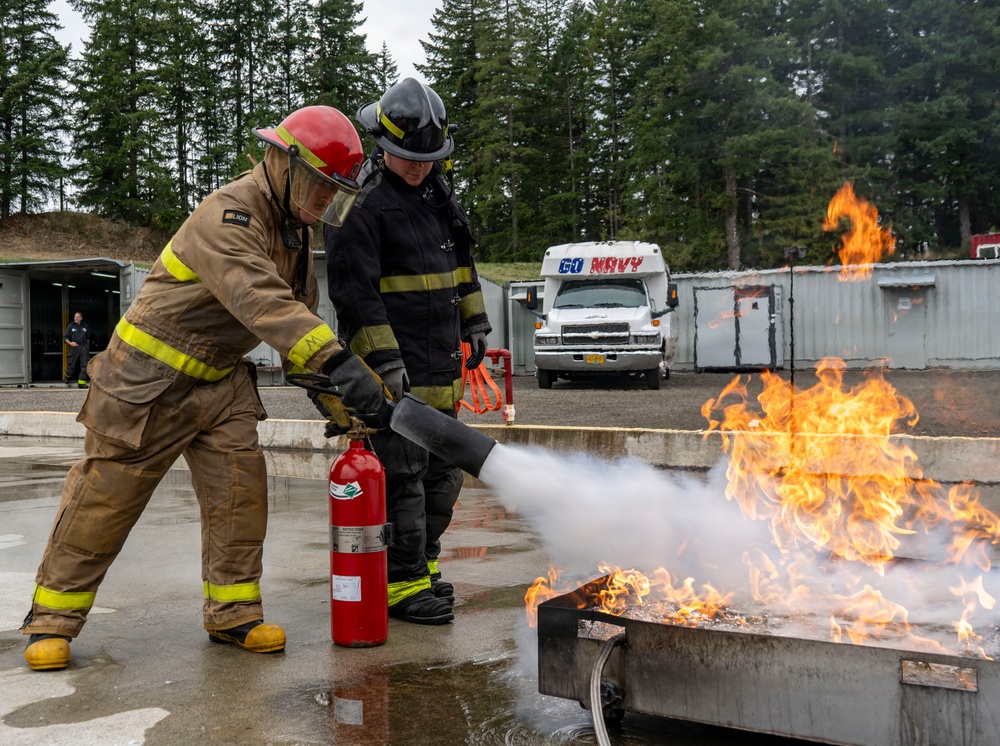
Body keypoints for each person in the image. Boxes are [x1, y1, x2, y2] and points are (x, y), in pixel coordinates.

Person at [21, 105, 393, 671]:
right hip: (146, 382)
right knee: (104, 502)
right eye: (319, 186)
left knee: (241, 497)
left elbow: (298, 318)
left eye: (334, 194)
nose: (323, 203)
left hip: (221, 383)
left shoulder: (293, 232)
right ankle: (52, 620)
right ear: (282, 162)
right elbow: (259, 300)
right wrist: (341, 363)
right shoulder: (229, 213)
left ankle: (233, 614)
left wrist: (338, 398)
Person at [324, 78, 492, 625]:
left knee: (444, 478)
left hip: (441, 367)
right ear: (382, 145)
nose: (420, 168)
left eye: (428, 159)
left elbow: (461, 265)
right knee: (403, 479)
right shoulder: (359, 204)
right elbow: (356, 297)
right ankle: (399, 584)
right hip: (395, 373)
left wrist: (475, 320)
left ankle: (423, 567)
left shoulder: (437, 195)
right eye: (409, 158)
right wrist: (384, 364)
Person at [63, 311, 90, 388]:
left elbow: (88, 338)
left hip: (83, 347)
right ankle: (67, 376)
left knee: (85, 365)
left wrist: (87, 349)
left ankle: (81, 383)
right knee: (72, 365)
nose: (76, 318)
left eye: (78, 317)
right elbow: (65, 337)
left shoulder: (85, 326)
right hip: (74, 347)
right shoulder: (71, 326)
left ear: (81, 318)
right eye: (75, 317)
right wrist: (70, 343)